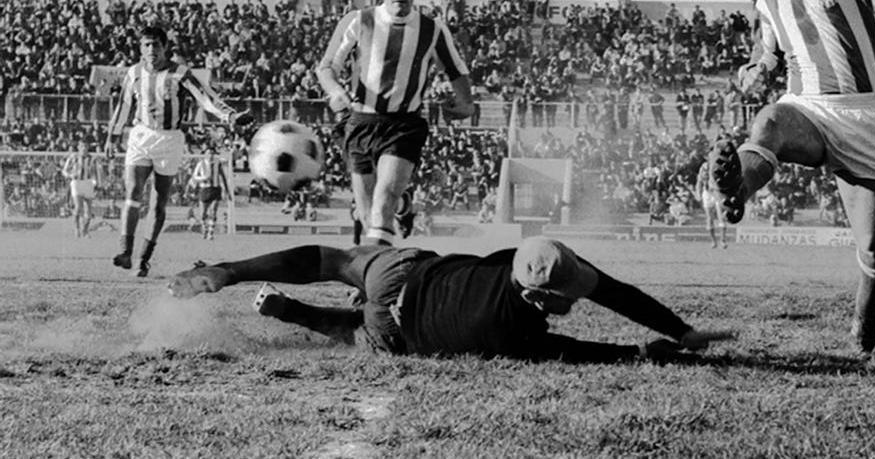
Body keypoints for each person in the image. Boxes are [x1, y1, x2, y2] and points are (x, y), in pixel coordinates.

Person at [708, 0, 875, 355]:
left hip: (864, 114)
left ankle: (866, 303)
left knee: (874, 249)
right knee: (768, 120)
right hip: (806, 108)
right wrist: (754, 69)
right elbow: (766, 53)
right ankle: (737, 188)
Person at [167, 236, 734, 362]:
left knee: (333, 261)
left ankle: (229, 271)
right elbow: (580, 351)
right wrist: (653, 349)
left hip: (403, 270)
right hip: (393, 331)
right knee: (358, 333)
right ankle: (291, 312)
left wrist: (682, 330)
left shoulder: (512, 260)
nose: (581, 298)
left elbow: (609, 289)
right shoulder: (516, 335)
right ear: (540, 298)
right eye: (568, 296)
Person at [316, 0, 475, 247]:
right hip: (361, 122)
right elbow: (326, 68)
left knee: (383, 198)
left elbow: (456, 71)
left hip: (404, 124)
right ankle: (402, 211)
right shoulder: (358, 20)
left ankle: (375, 286)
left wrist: (465, 103)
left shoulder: (432, 29)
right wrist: (336, 92)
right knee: (367, 214)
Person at [105, 26, 251, 277]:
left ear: (164, 47)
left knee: (158, 201)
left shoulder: (180, 73)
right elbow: (124, 105)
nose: (151, 50)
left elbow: (206, 98)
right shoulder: (134, 73)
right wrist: (112, 136)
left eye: (156, 45)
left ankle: (143, 259)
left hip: (170, 139)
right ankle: (125, 251)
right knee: (132, 192)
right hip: (141, 135)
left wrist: (229, 115)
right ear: (140, 48)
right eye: (147, 45)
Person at [188, 148, 231, 240]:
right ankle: (205, 228)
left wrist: (227, 191)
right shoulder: (201, 164)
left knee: (213, 211)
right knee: (203, 213)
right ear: (205, 154)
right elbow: (194, 176)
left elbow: (223, 177)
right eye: (209, 153)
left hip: (216, 189)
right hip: (204, 189)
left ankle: (211, 232)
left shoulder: (217, 163)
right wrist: (203, 178)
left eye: (212, 153)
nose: (211, 155)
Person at [61, 140, 100, 238]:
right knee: (78, 207)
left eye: (86, 146)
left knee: (89, 211)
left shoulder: (92, 159)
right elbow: (64, 171)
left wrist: (96, 184)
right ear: (78, 147)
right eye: (82, 146)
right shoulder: (73, 157)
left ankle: (85, 231)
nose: (84, 148)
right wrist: (70, 175)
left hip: (88, 183)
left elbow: (96, 172)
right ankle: (77, 228)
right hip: (76, 183)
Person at [695, 160, 728, 249]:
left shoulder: (718, 167)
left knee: (721, 215)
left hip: (717, 193)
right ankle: (713, 241)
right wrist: (698, 192)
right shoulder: (703, 167)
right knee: (709, 217)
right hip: (707, 194)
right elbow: (699, 181)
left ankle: (723, 240)